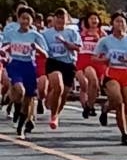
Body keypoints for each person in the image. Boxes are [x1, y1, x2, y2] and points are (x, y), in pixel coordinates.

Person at [94, 12, 127, 145]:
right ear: (112, 24)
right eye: (117, 21)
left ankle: (109, 111)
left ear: (126, 25)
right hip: (112, 74)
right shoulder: (105, 40)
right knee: (118, 102)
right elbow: (94, 57)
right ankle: (124, 133)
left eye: (122, 22)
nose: (120, 24)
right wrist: (104, 59)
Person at [1, 7, 49, 136]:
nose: (25, 21)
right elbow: (5, 47)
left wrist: (37, 48)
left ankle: (21, 127)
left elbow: (46, 54)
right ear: (18, 19)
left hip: (29, 66)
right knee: (20, 91)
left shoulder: (35, 35)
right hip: (16, 64)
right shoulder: (11, 33)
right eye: (23, 18)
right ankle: (16, 108)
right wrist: (4, 51)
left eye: (28, 18)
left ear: (32, 21)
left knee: (28, 99)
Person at [42, 8, 82, 130]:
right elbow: (43, 50)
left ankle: (56, 112)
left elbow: (78, 48)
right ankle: (53, 115)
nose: (60, 20)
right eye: (57, 17)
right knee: (58, 86)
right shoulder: (46, 34)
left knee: (64, 93)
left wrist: (66, 43)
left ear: (67, 20)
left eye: (62, 17)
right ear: (53, 19)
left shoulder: (72, 33)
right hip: (53, 62)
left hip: (69, 64)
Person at [76, 11, 106, 119]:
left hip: (98, 62)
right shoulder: (82, 34)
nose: (94, 20)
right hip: (85, 61)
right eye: (91, 18)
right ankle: (86, 105)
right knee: (88, 82)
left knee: (95, 85)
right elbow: (76, 46)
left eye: (96, 18)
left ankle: (89, 105)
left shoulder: (102, 34)